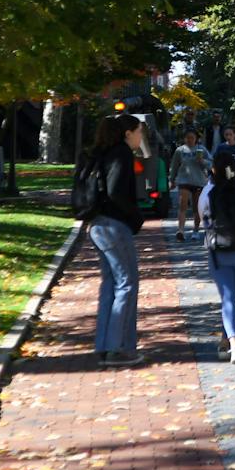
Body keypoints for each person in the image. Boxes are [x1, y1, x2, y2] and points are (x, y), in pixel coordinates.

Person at [85, 114, 146, 367]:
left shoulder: (101, 152)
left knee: (110, 284)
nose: (141, 137)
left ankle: (105, 344)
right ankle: (119, 347)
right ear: (128, 133)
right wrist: (136, 217)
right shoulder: (121, 153)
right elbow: (116, 192)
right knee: (127, 284)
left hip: (97, 224)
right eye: (139, 132)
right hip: (113, 225)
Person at [199, 151, 235, 364]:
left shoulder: (209, 190)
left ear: (213, 168)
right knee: (232, 298)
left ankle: (234, 346)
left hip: (219, 251)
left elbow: (202, 215)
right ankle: (225, 341)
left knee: (228, 298)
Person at [170, 128, 210, 242]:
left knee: (196, 208)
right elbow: (174, 166)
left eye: (192, 137)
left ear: (196, 138)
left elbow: (210, 164)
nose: (190, 140)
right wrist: (172, 180)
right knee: (182, 205)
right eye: (187, 137)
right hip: (184, 181)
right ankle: (181, 230)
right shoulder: (180, 150)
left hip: (199, 181)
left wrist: (202, 161)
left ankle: (196, 230)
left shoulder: (201, 149)